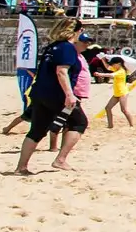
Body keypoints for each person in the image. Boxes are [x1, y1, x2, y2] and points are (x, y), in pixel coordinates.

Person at [14, 18, 84, 175]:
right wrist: (69, 94)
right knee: (79, 123)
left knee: (37, 130)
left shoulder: (52, 47)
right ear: (76, 31)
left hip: (40, 93)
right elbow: (61, 72)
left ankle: (21, 167)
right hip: (56, 94)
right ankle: (60, 159)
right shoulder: (67, 47)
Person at [101, 57, 135, 128]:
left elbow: (111, 75)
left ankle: (132, 125)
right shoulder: (117, 69)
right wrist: (103, 60)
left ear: (119, 64)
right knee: (107, 108)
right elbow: (108, 67)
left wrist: (100, 74)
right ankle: (110, 125)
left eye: (113, 64)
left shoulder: (121, 71)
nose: (112, 66)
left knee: (124, 110)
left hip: (122, 93)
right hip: (117, 93)